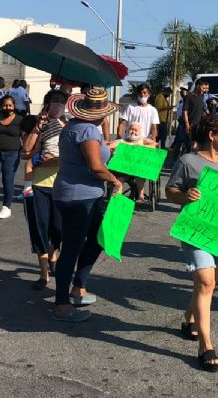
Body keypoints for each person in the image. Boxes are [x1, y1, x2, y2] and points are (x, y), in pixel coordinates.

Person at [165, 114, 218, 372]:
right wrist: (184, 196)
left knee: (208, 284)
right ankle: (206, 345)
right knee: (206, 282)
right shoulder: (188, 161)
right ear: (211, 135)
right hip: (195, 232)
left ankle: (189, 319)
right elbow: (170, 191)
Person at [51, 87, 121, 322]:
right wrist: (114, 180)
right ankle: (62, 303)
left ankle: (78, 287)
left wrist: (107, 149)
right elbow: (95, 166)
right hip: (79, 197)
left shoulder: (74, 126)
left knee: (96, 239)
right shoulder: (88, 130)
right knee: (71, 248)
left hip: (77, 193)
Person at [22, 89, 68, 290]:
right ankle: (43, 275)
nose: (57, 105)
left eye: (61, 101)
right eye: (54, 101)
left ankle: (53, 253)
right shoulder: (40, 125)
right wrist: (37, 129)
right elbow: (26, 151)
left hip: (62, 185)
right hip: (40, 185)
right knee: (40, 228)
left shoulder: (68, 126)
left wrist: (56, 160)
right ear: (47, 104)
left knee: (58, 228)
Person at [182, 79, 210, 151]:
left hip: (198, 126)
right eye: (203, 88)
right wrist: (187, 125)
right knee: (187, 146)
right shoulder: (189, 96)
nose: (205, 90)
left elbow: (204, 109)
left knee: (196, 146)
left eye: (206, 88)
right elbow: (185, 111)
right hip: (190, 125)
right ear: (197, 86)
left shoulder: (202, 97)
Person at [171, 87, 191, 157]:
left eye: (183, 91)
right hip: (181, 124)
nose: (181, 92)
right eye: (181, 91)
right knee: (178, 142)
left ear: (187, 92)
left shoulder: (189, 100)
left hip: (186, 124)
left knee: (188, 144)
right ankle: (174, 160)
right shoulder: (181, 101)